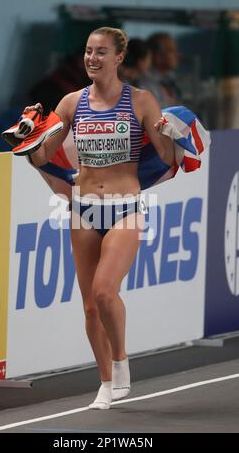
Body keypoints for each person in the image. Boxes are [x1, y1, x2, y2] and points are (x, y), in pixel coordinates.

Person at [13, 27, 188, 410]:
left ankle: (122, 363)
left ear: (119, 58)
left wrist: (173, 135)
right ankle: (105, 385)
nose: (92, 58)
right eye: (89, 52)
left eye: (101, 52)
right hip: (84, 209)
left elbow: (167, 156)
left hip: (125, 207)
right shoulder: (71, 102)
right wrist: (26, 141)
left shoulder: (141, 101)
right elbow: (44, 157)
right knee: (90, 306)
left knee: (106, 291)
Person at [138, 33, 181, 109]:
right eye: (171, 50)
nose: (177, 55)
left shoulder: (170, 79)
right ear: (157, 56)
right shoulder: (144, 83)